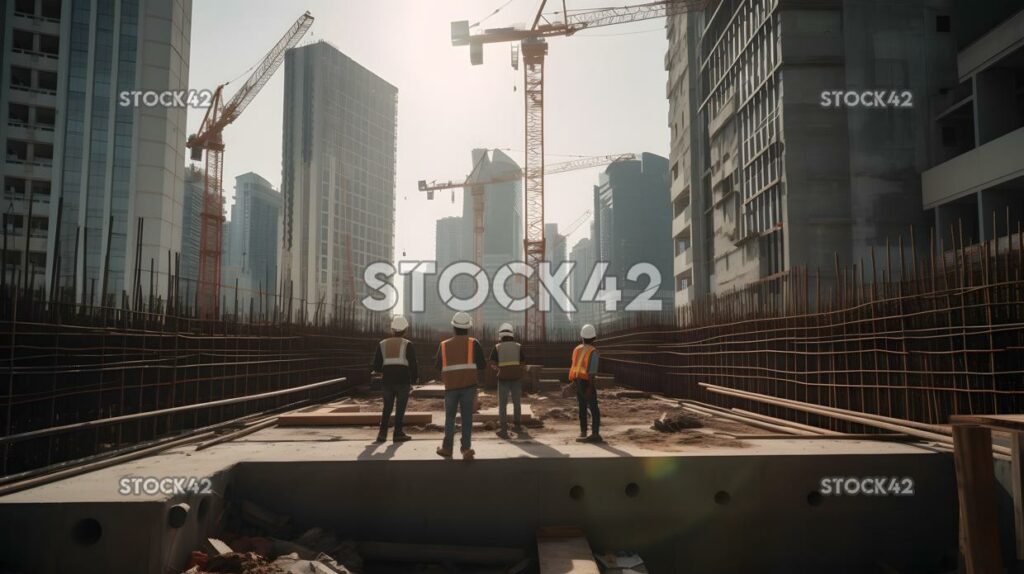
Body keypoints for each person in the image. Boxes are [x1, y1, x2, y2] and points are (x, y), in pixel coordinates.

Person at [435, 311, 486, 460]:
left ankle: (447, 448)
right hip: (469, 386)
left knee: (449, 418)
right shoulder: (473, 343)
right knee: (467, 418)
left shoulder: (443, 345)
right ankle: (465, 449)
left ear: (454, 327)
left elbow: (438, 366)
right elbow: (482, 365)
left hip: (450, 387)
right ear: (468, 327)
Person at [370, 315, 418, 443]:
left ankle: (382, 434)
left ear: (392, 329)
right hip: (403, 381)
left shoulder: (382, 344)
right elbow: (413, 364)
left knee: (387, 408)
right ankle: (398, 433)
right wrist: (414, 380)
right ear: (405, 330)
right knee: (400, 408)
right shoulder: (408, 344)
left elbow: (376, 366)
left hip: (387, 381)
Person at [489, 322, 527, 439]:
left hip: (503, 378)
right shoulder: (518, 346)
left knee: (502, 404)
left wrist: (499, 369)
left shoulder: (497, 347)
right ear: (512, 335)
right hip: (516, 378)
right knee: (517, 402)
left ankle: (504, 429)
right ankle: (517, 426)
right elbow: (522, 363)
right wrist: (519, 371)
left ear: (500, 336)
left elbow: (492, 363)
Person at [570, 323, 603, 443]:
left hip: (578, 381)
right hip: (587, 382)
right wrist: (590, 386)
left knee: (582, 407)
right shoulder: (593, 352)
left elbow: (574, 367)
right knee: (594, 408)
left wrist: (574, 383)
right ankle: (595, 433)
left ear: (582, 337)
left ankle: (583, 432)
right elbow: (592, 372)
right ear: (594, 338)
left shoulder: (577, 349)